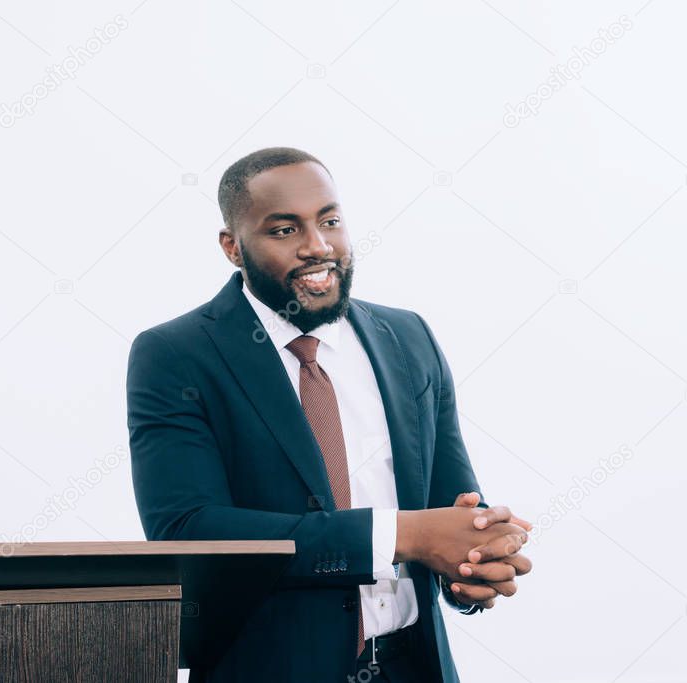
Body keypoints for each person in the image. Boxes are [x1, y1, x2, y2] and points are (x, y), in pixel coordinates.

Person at [127, 147, 532, 682]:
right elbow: (188, 530)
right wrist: (403, 537)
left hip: (414, 668)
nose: (318, 247)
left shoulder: (409, 338)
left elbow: (447, 505)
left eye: (330, 221)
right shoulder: (177, 355)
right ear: (233, 247)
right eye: (283, 230)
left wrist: (475, 559)